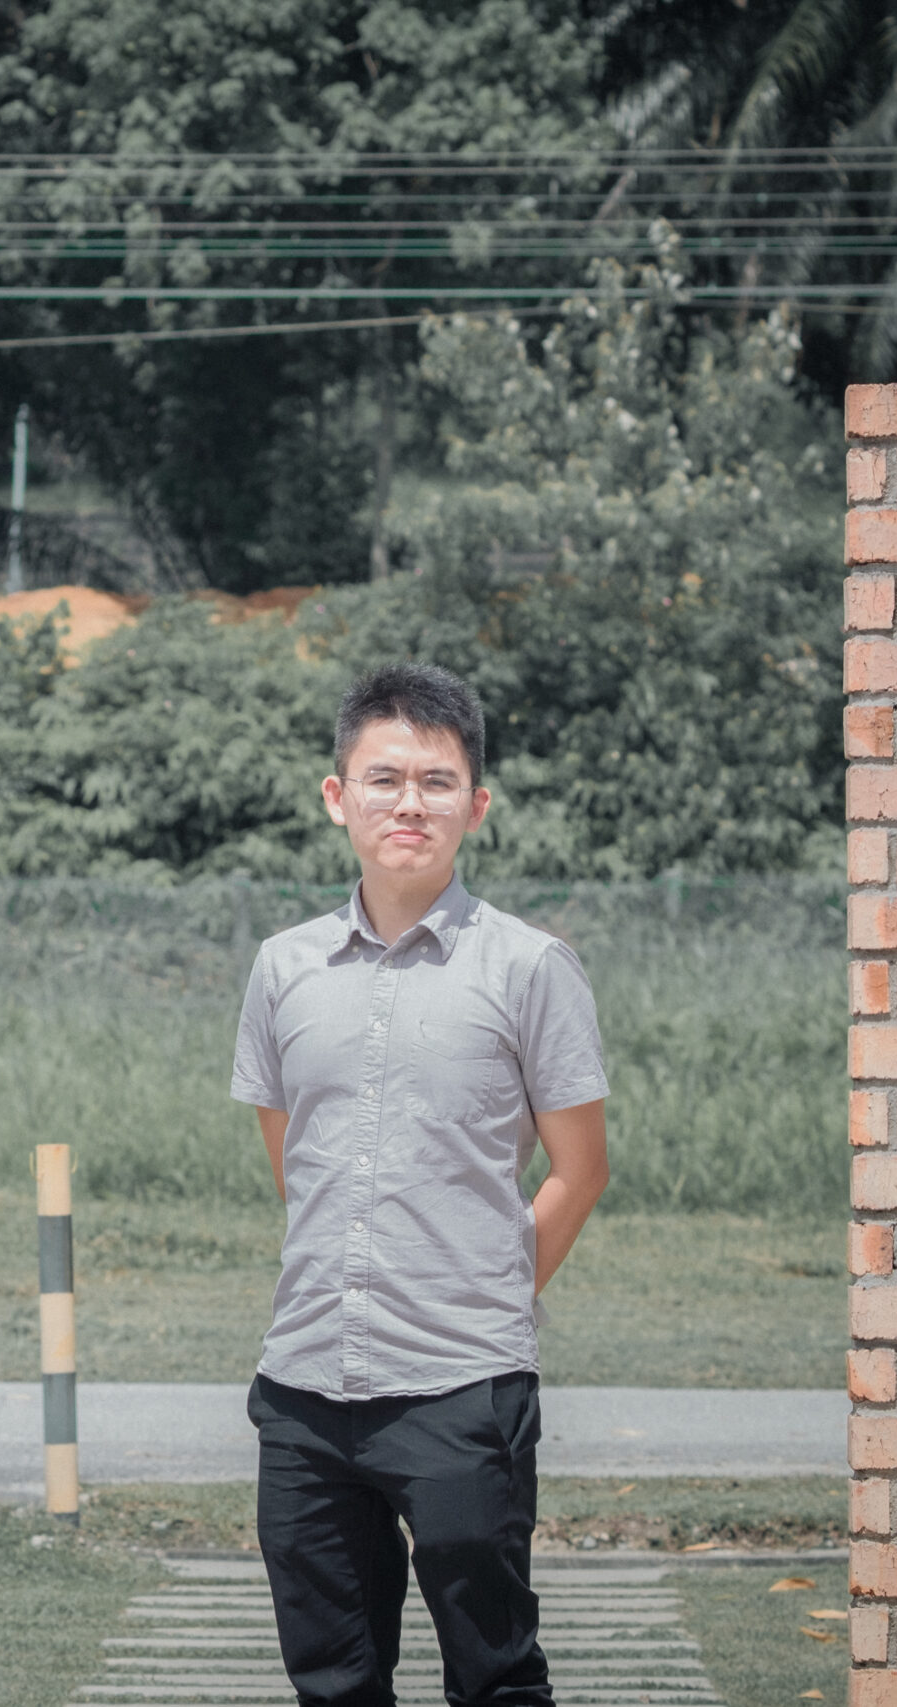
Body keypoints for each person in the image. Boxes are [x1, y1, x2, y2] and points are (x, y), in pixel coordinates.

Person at [229, 662, 611, 1707]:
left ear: (475, 806)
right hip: (304, 1390)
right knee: (332, 1683)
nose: (410, 803)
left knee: (494, 1676)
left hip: (461, 1388)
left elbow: (581, 1170)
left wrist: (487, 1290)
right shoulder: (283, 968)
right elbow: (297, 1162)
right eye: (385, 778)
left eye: (437, 782)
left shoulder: (530, 968)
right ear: (337, 796)